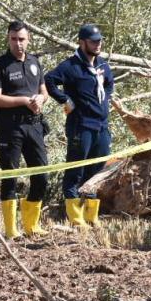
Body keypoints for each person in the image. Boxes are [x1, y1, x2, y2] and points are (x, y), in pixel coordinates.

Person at [45, 24, 115, 229]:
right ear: (82, 42)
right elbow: (49, 80)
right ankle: (76, 218)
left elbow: (109, 84)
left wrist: (106, 98)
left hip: (102, 127)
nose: (98, 44)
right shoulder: (70, 66)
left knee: (97, 172)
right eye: (93, 41)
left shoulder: (103, 65)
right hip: (81, 127)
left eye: (100, 40)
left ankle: (91, 216)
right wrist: (64, 99)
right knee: (75, 171)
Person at [0, 21, 51, 239]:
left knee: (41, 174)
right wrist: (24, 100)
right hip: (9, 127)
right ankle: (11, 230)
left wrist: (39, 100)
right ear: (8, 39)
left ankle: (31, 224)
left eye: (21, 39)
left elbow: (44, 92)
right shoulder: (0, 65)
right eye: (13, 39)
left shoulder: (35, 62)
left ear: (28, 39)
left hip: (33, 125)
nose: (18, 43)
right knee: (10, 177)